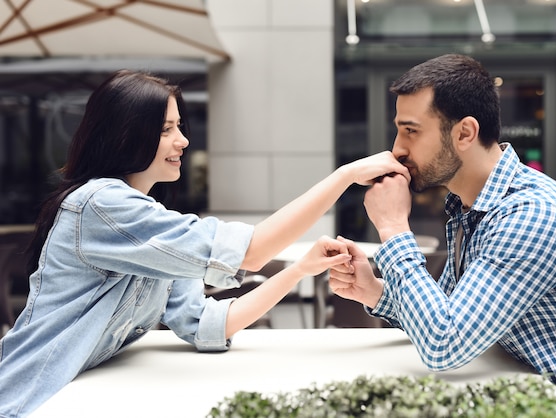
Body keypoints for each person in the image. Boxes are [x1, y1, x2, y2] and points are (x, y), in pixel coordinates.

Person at [0, 70, 409, 417]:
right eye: (165, 129)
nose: (183, 141)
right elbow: (251, 252)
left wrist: (300, 269)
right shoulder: (103, 206)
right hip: (29, 398)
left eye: (179, 127)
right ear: (126, 135)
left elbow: (206, 325)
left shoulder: (145, 224)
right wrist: (344, 177)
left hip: (81, 396)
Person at [327, 54, 556, 396]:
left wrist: (394, 227)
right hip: (539, 393)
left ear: (465, 133)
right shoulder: (470, 207)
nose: (397, 149)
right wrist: (375, 292)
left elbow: (445, 342)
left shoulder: (532, 215)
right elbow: (450, 313)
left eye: (411, 131)